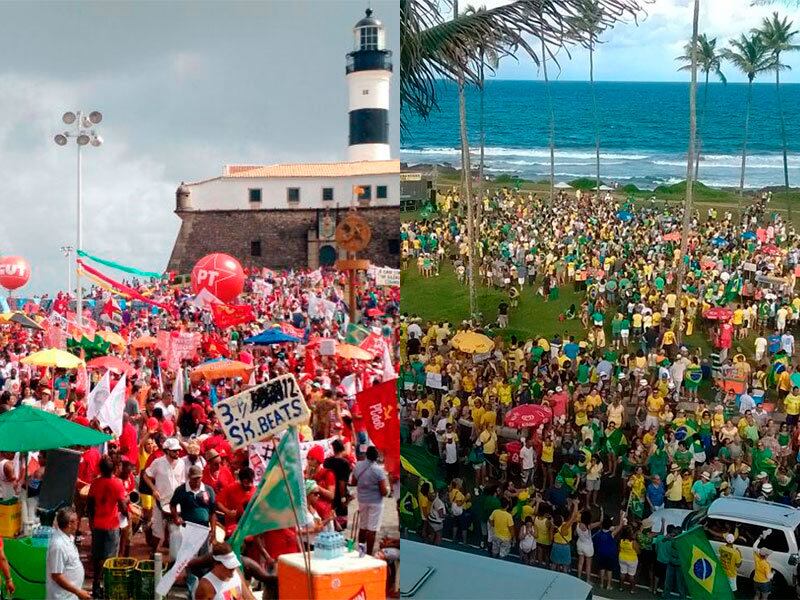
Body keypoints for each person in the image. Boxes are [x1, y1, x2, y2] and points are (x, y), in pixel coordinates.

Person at [87, 456, 127, 598]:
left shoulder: (95, 483)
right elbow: (123, 506)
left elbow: (90, 506)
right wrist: (127, 513)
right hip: (112, 525)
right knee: (110, 558)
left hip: (98, 524)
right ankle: (109, 587)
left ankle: (96, 586)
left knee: (97, 558)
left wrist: (91, 522)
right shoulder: (118, 484)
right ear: (113, 469)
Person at [143, 437, 187, 553]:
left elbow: (183, 482)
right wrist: (153, 489)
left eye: (178, 450)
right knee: (157, 530)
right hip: (160, 501)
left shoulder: (182, 463)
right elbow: (146, 476)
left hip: (176, 503)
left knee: (176, 530)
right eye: (174, 451)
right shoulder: (158, 462)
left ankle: (174, 555)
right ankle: (154, 553)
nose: (177, 453)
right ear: (167, 451)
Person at [350, 446, 389, 555]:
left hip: (362, 500)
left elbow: (353, 482)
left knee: (362, 527)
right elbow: (383, 492)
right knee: (372, 529)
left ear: (366, 455)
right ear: (377, 457)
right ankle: (369, 554)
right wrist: (387, 491)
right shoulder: (378, 470)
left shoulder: (358, 466)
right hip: (376, 502)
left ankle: (361, 552)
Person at [47, 507, 91, 600]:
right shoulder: (58, 545)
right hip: (62, 597)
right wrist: (78, 591)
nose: (78, 523)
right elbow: (57, 576)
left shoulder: (68, 537)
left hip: (71, 594)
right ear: (69, 524)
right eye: (76, 521)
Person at [753, 529, 773, 600]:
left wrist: (760, 537)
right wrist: (773, 574)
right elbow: (768, 576)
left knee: (757, 594)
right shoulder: (766, 564)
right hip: (764, 583)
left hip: (756, 580)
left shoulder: (756, 557)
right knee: (764, 597)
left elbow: (754, 547)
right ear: (766, 556)